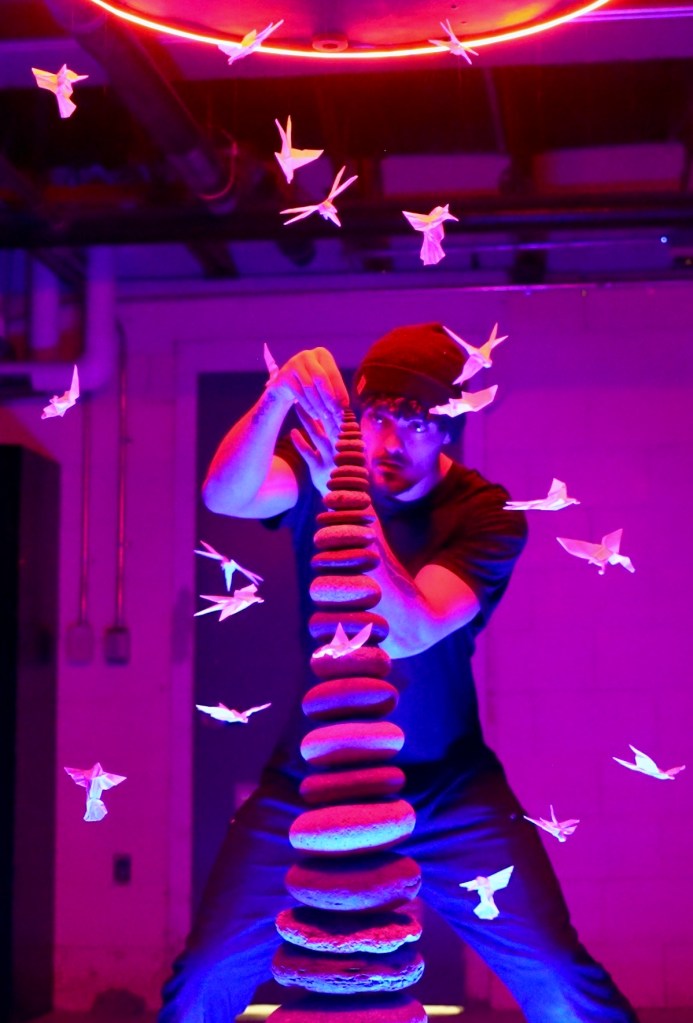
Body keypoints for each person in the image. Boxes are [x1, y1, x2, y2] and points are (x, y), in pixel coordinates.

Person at [160, 323, 638, 1022]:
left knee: (558, 978)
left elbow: (410, 628)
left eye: (415, 425)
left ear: (448, 427)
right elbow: (224, 496)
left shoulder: (485, 513)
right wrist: (278, 396)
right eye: (379, 419)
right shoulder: (326, 462)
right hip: (310, 785)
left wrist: (343, 498)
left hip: (449, 789)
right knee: (204, 977)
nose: (390, 443)